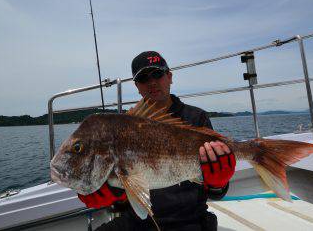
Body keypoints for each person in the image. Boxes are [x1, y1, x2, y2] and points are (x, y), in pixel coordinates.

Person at [78, 51, 236, 231]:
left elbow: (216, 193)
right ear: (137, 86)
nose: (152, 82)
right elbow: (125, 199)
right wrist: (114, 192)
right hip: (137, 222)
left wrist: (219, 183)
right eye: (144, 78)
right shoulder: (122, 127)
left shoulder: (196, 118)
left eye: (158, 74)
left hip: (188, 219)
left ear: (169, 77)